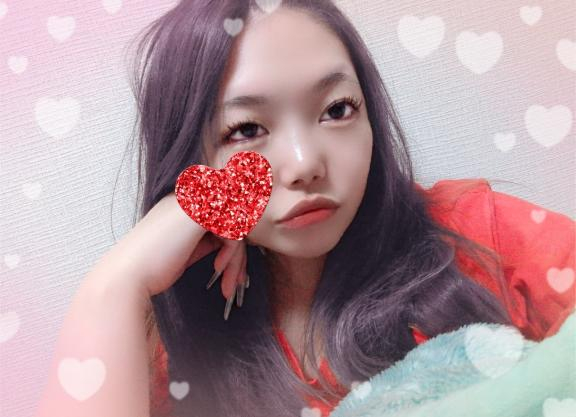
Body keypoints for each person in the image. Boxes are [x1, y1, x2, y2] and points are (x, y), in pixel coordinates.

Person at [34, 1, 575, 417]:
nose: (303, 164)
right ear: (191, 161)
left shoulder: (474, 231)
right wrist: (115, 286)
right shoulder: (167, 349)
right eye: (246, 129)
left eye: (337, 110)